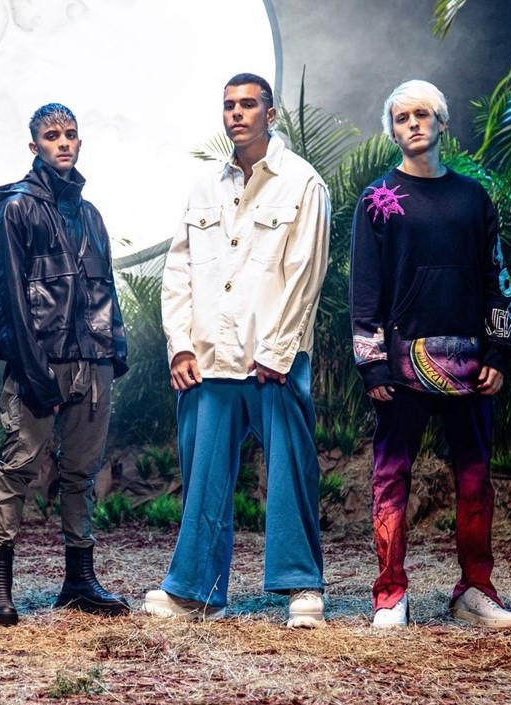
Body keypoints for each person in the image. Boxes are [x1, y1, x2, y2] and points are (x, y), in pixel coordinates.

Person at [142, 73, 331, 627]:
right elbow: (178, 271)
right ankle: (196, 592)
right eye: (229, 105)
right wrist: (180, 346)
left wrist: (277, 349)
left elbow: (306, 273)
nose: (237, 113)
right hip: (208, 361)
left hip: (272, 360)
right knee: (203, 481)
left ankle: (302, 588)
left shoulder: (302, 183)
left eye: (248, 104)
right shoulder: (204, 186)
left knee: (290, 473)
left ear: (270, 114)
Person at [350, 79, 511, 629]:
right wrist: (372, 361)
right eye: (402, 118)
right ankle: (390, 594)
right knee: (391, 476)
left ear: (442, 123)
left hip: (472, 363)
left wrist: (499, 350)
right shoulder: (378, 199)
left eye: (423, 114)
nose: (413, 124)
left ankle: (475, 591)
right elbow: (365, 287)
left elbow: (497, 277)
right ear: (392, 131)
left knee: (475, 478)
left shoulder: (473, 197)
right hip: (401, 366)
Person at [0, 103, 130, 625]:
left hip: (94, 362)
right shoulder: (17, 207)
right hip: (41, 360)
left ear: (79, 142)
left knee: (81, 473)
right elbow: (6, 296)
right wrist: (30, 368)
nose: (62, 142)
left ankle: (79, 581)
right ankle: (0, 587)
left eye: (70, 134)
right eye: (51, 136)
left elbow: (106, 290)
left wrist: (115, 352)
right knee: (17, 466)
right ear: (35, 146)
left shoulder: (91, 215)